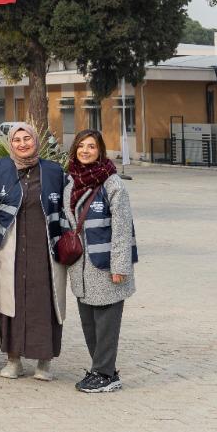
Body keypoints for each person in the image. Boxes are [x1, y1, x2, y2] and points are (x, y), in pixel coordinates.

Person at [0, 121, 69, 381]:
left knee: (45, 304)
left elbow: (69, 206)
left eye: (27, 138)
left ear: (35, 141)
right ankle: (13, 359)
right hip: (8, 250)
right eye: (17, 140)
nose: (22, 144)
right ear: (10, 144)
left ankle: (44, 362)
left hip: (44, 251)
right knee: (11, 303)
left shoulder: (54, 171)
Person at [64, 129, 137, 394]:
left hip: (106, 267)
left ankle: (105, 374)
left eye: (91, 146)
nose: (85, 151)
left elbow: (122, 227)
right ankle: (102, 369)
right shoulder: (71, 181)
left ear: (100, 151)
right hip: (81, 267)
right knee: (89, 323)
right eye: (81, 146)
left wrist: (120, 266)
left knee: (106, 324)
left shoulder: (112, 183)